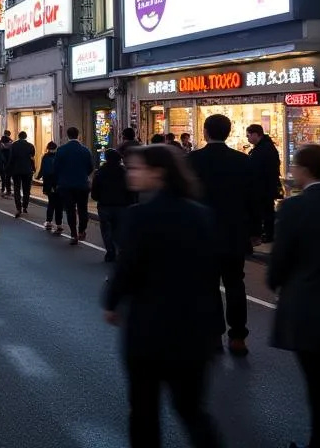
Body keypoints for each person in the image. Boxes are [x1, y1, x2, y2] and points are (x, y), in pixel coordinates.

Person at [103, 145, 224, 448]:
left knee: (144, 411)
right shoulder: (202, 214)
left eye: (136, 168)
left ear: (158, 172)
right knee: (191, 410)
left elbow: (128, 267)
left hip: (150, 330)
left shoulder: (140, 216)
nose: (130, 173)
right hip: (197, 328)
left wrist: (111, 302)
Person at [267, 143, 320, 448]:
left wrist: (276, 283)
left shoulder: (294, 208)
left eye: (295, 166)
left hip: (308, 309)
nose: (293, 171)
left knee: (318, 385)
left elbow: (281, 260)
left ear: (306, 171)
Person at [188, 113, 258, 356]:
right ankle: (238, 336)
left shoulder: (192, 160)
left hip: (202, 235)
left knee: (208, 287)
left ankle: (214, 336)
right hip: (234, 233)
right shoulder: (243, 161)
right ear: (228, 132)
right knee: (235, 284)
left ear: (206, 132)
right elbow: (253, 200)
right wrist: (254, 232)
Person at [54, 127, 93, 244]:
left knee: (70, 210)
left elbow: (56, 168)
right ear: (78, 135)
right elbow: (90, 167)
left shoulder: (61, 150)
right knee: (82, 209)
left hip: (66, 185)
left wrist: (60, 179)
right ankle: (82, 230)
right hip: (81, 184)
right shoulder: (85, 150)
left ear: (67, 136)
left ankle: (73, 234)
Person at [91, 147, 130, 262]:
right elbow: (130, 190)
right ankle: (121, 251)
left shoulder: (100, 172)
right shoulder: (124, 172)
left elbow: (94, 192)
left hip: (105, 204)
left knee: (106, 229)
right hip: (122, 205)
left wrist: (98, 198)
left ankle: (110, 252)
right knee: (120, 228)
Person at [246, 122, 282, 243]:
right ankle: (266, 232)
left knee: (266, 211)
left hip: (264, 186)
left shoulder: (264, 148)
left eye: (249, 136)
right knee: (266, 210)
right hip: (266, 185)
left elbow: (260, 168)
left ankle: (268, 233)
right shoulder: (265, 146)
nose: (248, 138)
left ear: (256, 135)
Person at [9, 131, 36, 217]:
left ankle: (18, 208)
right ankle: (25, 206)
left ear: (18, 136)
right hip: (27, 170)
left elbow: (11, 159)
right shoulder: (30, 146)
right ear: (26, 137)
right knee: (26, 189)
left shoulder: (14, 145)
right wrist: (33, 168)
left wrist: (8, 169)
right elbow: (32, 158)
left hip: (16, 170)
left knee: (16, 189)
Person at [38, 141, 63, 234]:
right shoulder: (59, 157)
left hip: (49, 183)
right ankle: (59, 224)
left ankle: (48, 222)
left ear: (48, 148)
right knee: (59, 204)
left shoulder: (45, 157)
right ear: (56, 148)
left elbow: (43, 170)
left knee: (51, 203)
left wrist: (37, 176)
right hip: (59, 183)